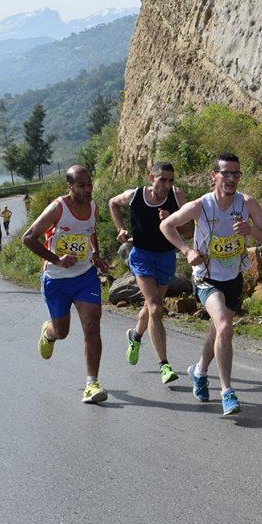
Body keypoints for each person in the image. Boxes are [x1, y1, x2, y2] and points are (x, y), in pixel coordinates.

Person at [159, 153, 262, 415]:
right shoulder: (201, 205)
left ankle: (199, 371)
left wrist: (251, 231)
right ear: (214, 176)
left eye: (236, 173)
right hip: (206, 277)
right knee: (224, 325)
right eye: (226, 173)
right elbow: (166, 225)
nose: (232, 179)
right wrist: (187, 250)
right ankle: (227, 392)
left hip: (233, 278)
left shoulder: (247, 203)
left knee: (218, 332)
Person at [21, 165, 110, 404]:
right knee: (62, 332)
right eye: (81, 185)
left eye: (89, 184)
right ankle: (49, 333)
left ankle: (91, 384)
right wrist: (57, 260)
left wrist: (95, 255)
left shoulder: (93, 207)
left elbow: (90, 232)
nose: (87, 189)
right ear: (69, 186)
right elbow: (28, 238)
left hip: (85, 277)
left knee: (92, 326)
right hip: (56, 279)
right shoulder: (57, 208)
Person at [109, 162, 188, 385]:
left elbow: (189, 229)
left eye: (171, 180)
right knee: (155, 307)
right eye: (162, 180)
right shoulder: (135, 195)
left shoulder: (177, 196)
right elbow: (113, 203)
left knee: (150, 308)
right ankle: (164, 365)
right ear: (151, 178)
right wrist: (120, 228)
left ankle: (135, 336)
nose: (167, 185)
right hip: (141, 256)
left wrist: (172, 219)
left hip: (166, 258)